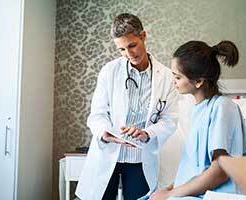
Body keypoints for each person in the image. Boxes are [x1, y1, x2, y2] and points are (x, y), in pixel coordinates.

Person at [75, 13, 178, 200]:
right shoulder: (109, 71)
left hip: (140, 158)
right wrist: (104, 132)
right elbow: (97, 114)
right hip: (109, 153)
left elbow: (170, 119)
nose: (129, 54)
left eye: (132, 45)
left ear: (143, 36)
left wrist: (148, 133)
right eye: (121, 49)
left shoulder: (167, 77)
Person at [149, 40, 246, 200]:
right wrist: (168, 189)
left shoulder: (223, 107)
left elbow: (221, 172)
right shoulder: (198, 110)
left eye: (177, 77)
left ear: (198, 81)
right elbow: (192, 170)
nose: (173, 81)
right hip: (197, 193)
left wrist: (170, 194)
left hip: (218, 194)